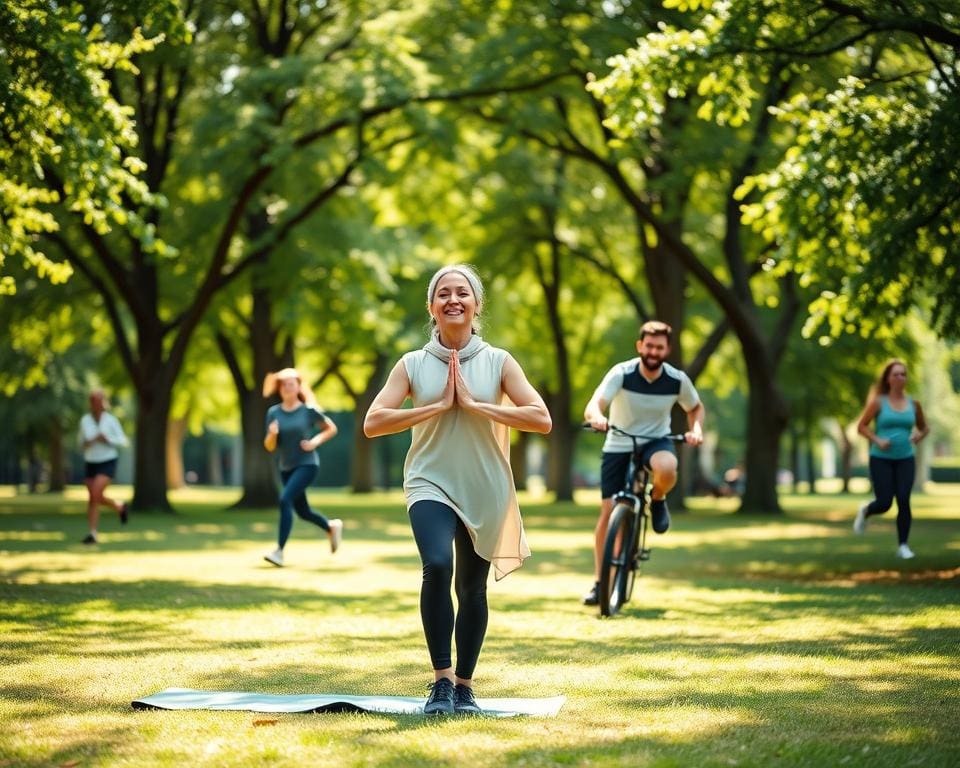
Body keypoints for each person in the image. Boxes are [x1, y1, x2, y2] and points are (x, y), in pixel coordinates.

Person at [363, 264, 551, 716]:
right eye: (443, 293)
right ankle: (441, 681)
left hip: (484, 486)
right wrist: (435, 408)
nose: (453, 299)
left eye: (462, 292)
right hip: (429, 480)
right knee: (436, 565)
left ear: (476, 304)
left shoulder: (498, 361)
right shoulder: (412, 364)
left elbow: (540, 418)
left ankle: (464, 686)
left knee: (472, 588)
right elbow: (373, 422)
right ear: (432, 306)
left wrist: (475, 405)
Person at [582, 320, 705, 606]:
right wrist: (597, 417)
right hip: (619, 442)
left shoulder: (676, 379)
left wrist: (697, 430)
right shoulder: (622, 373)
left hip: (656, 441)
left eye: (659, 347)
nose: (653, 352)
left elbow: (695, 408)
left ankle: (657, 498)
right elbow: (595, 404)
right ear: (640, 346)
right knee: (608, 512)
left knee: (667, 468)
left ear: (667, 350)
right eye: (649, 346)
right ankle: (601, 583)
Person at [262, 367, 343, 567]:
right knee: (303, 511)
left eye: (291, 384)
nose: (287, 387)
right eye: (283, 384)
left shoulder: (308, 411)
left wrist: (314, 442)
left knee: (285, 500)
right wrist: (272, 435)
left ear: (298, 387)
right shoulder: (273, 413)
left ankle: (279, 551)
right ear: (279, 388)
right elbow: (269, 447)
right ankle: (330, 527)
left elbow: (331, 428)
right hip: (286, 467)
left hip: (307, 464)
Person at [854, 359, 929, 559]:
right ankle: (866, 510)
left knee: (904, 499)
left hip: (905, 458)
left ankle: (903, 546)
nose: (900, 377)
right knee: (885, 503)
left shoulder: (914, 404)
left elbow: (924, 428)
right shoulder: (878, 402)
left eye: (903, 374)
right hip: (881, 459)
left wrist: (918, 436)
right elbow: (861, 426)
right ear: (888, 379)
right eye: (896, 374)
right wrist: (877, 440)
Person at [77, 389, 130, 544]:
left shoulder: (111, 420)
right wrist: (91, 441)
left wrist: (108, 439)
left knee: (95, 493)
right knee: (93, 498)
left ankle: (117, 509)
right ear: (91, 403)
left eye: (100, 401)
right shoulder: (85, 421)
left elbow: (123, 441)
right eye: (95, 401)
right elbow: (80, 443)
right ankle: (94, 531)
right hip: (91, 461)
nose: (98, 405)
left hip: (107, 460)